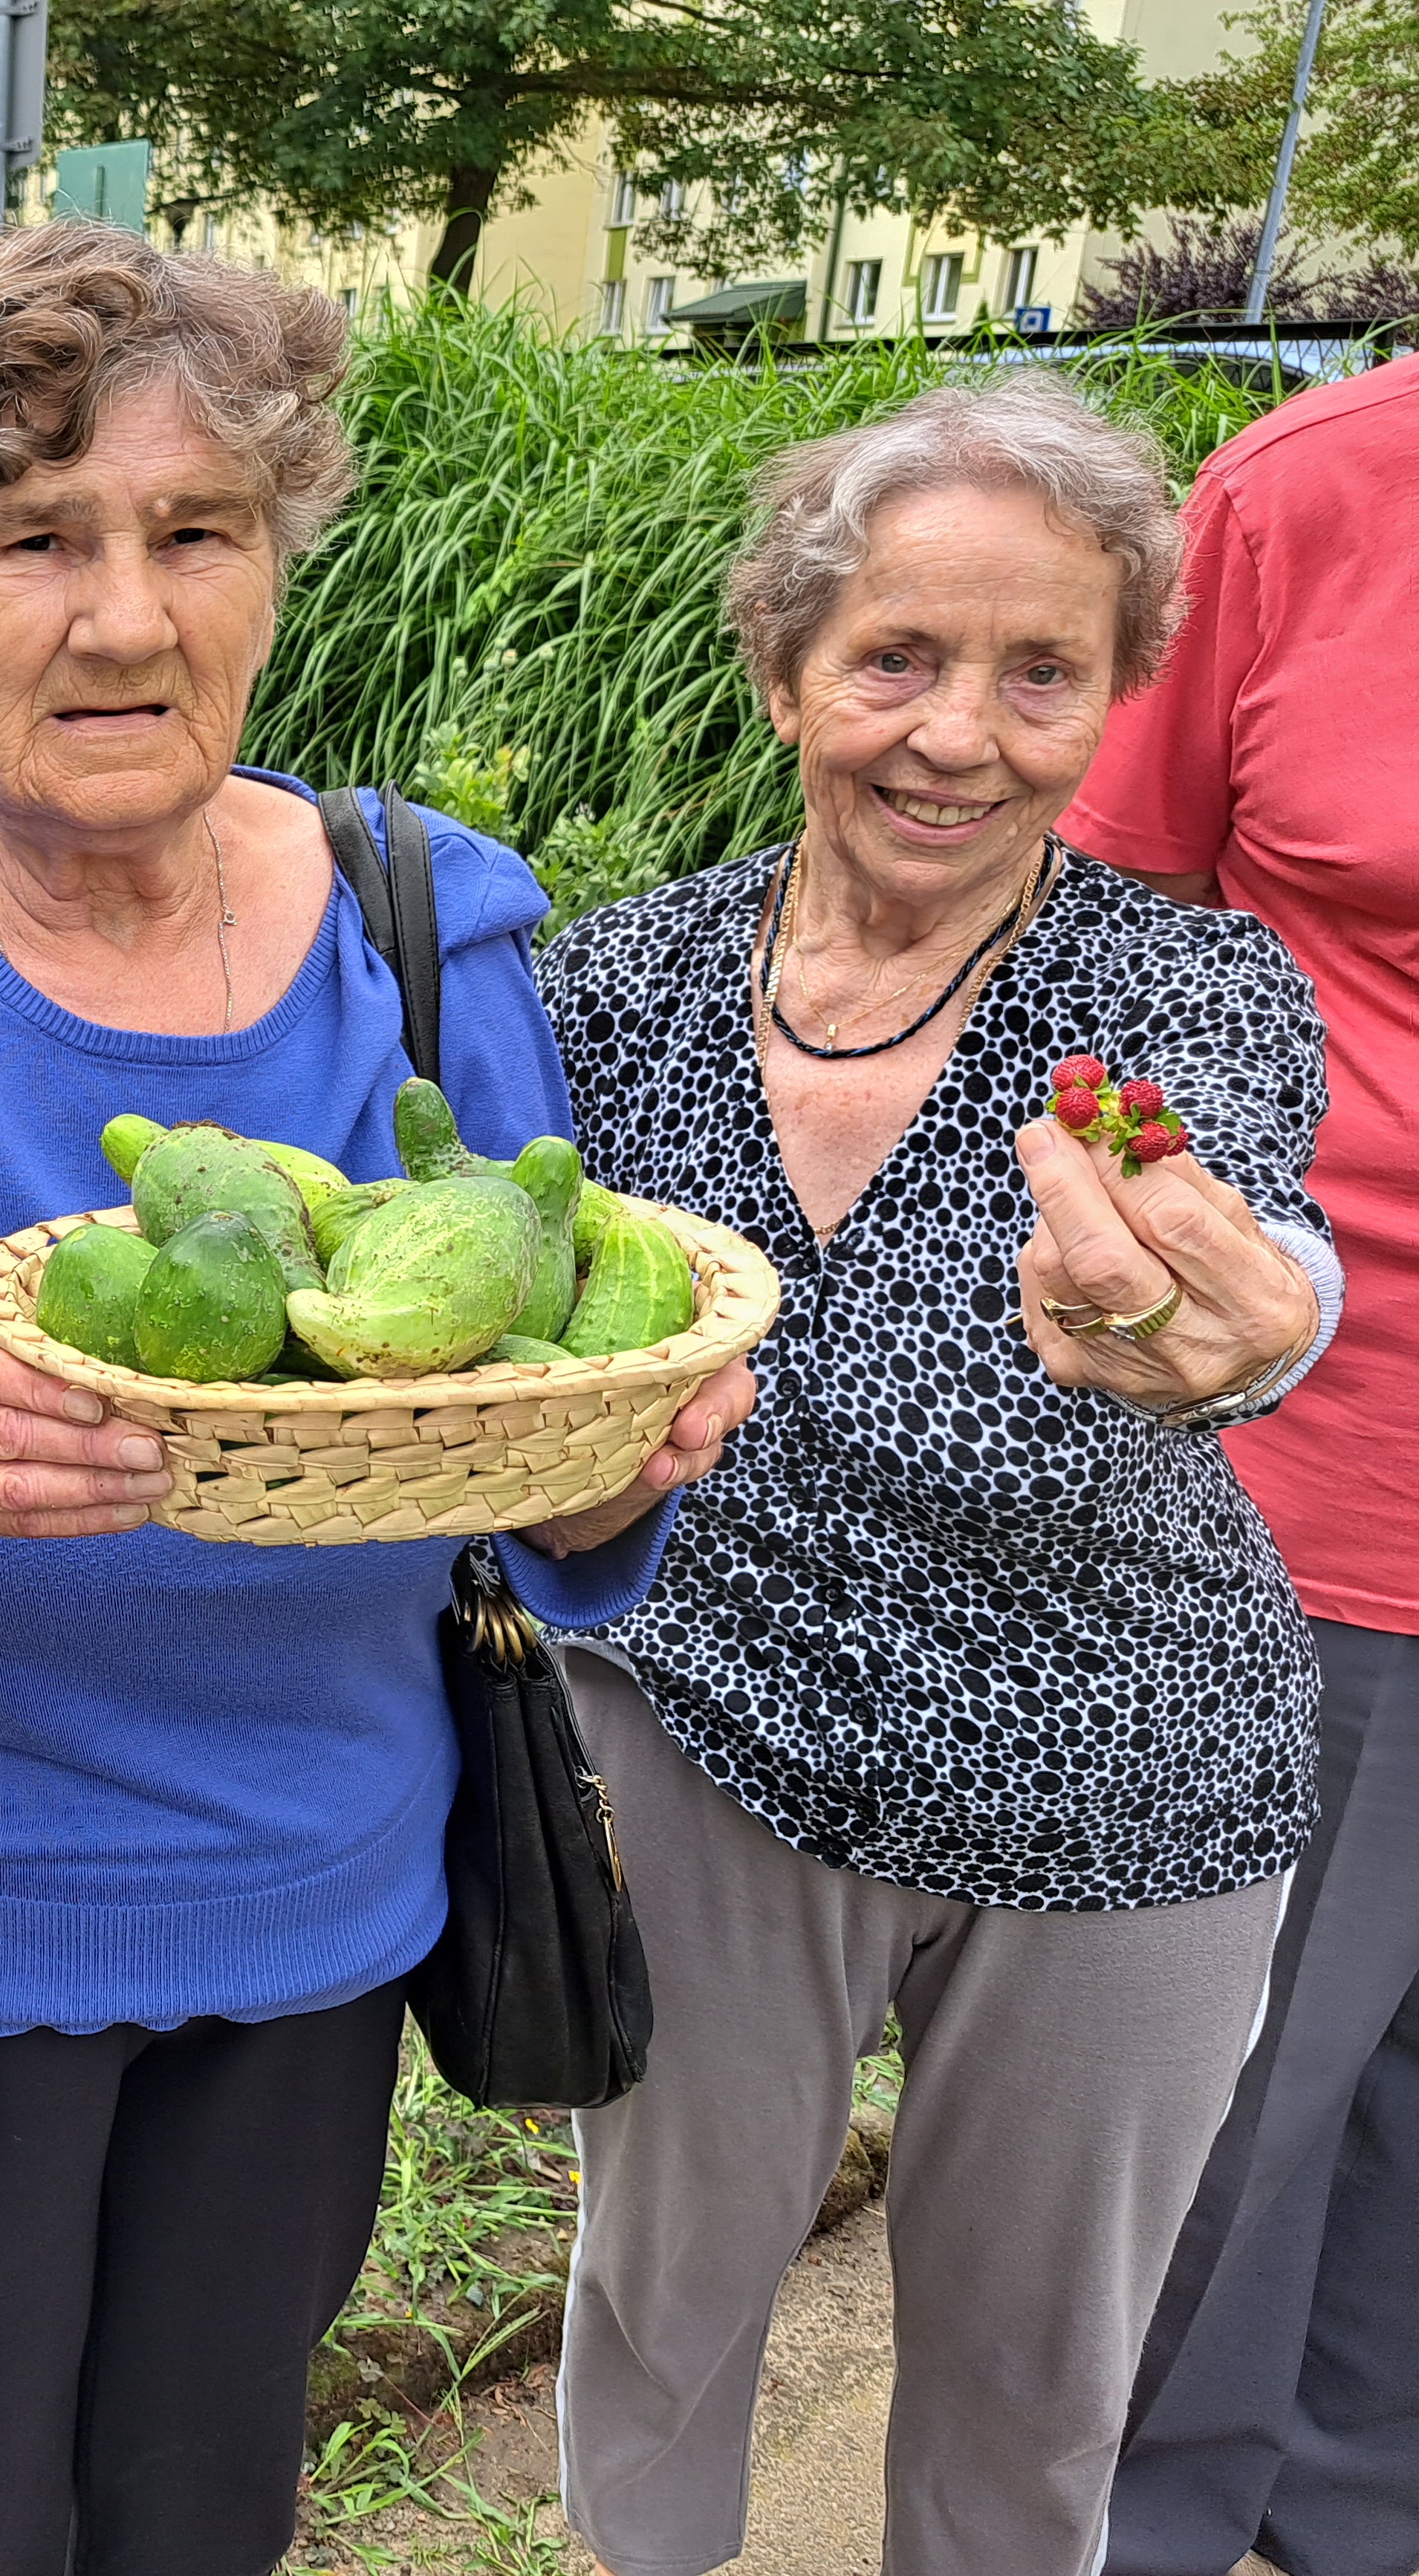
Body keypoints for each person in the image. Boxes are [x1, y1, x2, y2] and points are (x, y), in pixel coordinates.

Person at [0, 221, 754, 2576]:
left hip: (309, 1893)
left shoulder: (436, 927)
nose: (125, 614)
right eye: (33, 538)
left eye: (195, 532)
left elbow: (553, 1453)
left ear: (271, 579)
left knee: (211, 2501)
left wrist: (635, 1450)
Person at [533, 371, 1343, 2576]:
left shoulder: (1168, 999)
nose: (956, 733)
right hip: (718, 1735)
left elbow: (1208, 1233)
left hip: (1124, 1773)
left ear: (1112, 694)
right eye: (895, 655)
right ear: (787, 661)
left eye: (1037, 672)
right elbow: (540, 1375)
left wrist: (1224, 1320)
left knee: (1030, 2379)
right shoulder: (608, 993)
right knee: (659, 2307)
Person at [1069, 352, 1419, 2576]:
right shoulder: (1316, 495)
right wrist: (1168, 1290)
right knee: (1217, 2133)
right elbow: (1085, 949)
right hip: (1311, 1492)